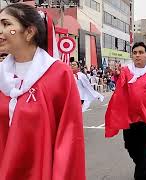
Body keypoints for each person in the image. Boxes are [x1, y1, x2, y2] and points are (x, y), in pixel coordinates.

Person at [0, 3, 86, 179]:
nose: (0, 30)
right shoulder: (2, 75)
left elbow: (69, 138)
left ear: (29, 32)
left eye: (6, 24)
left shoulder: (58, 74)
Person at [105, 42, 146, 180]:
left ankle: (141, 174)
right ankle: (140, 164)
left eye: (141, 52)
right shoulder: (126, 71)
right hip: (129, 118)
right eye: (135, 53)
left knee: (145, 152)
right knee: (130, 147)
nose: (137, 55)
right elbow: (119, 92)